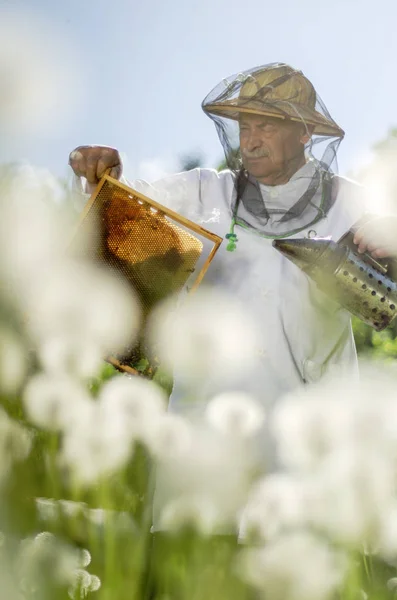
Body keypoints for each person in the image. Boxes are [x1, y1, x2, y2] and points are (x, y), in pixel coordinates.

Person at [69, 62, 397, 435]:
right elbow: (123, 204)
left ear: (304, 132)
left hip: (308, 432)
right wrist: (97, 173)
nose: (250, 141)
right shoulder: (203, 191)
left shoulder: (351, 200)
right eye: (245, 126)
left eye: (266, 126)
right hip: (201, 430)